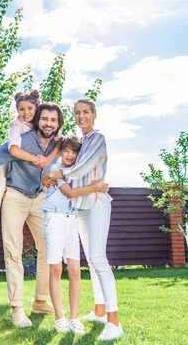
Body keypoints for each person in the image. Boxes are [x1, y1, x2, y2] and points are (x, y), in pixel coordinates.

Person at [43, 98, 124, 341]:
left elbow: (83, 167)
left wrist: (58, 173)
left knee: (99, 258)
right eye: (77, 113)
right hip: (80, 205)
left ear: (94, 114)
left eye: (85, 112)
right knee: (91, 258)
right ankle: (100, 310)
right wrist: (51, 175)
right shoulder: (81, 141)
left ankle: (114, 321)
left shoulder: (97, 138)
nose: (81, 117)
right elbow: (68, 164)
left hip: (97, 203)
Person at [0, 102, 63, 327]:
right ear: (38, 120)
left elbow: (71, 149)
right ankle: (17, 308)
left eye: (53, 120)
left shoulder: (57, 142)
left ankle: (40, 300)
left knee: (48, 248)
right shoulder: (23, 140)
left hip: (39, 197)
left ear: (58, 124)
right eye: (45, 119)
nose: (48, 123)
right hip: (14, 197)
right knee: (13, 251)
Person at [42, 135, 110, 334]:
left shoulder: (75, 172)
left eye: (74, 152)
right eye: (66, 151)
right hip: (54, 220)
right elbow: (69, 194)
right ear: (61, 151)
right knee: (55, 270)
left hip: (72, 220)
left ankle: (73, 318)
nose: (70, 155)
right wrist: (97, 187)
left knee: (75, 270)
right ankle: (59, 317)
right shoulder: (56, 170)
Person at [0, 90, 57, 251]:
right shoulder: (16, 126)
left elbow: (60, 141)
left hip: (34, 187)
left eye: (30, 108)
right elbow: (13, 151)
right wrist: (37, 159)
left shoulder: (42, 125)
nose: (26, 113)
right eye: (21, 109)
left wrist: (48, 159)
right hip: (6, 163)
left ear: (36, 108)